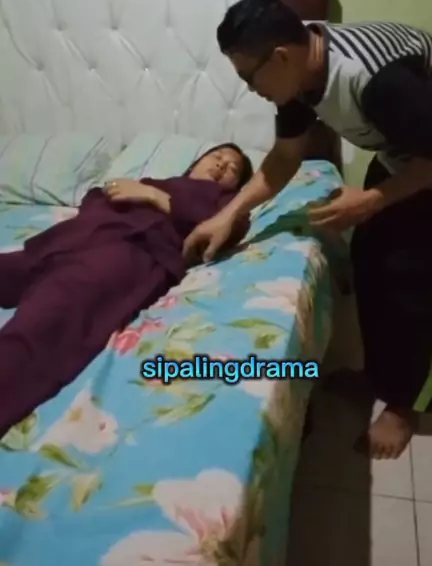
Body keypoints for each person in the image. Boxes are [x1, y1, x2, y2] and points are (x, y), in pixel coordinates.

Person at [183, 0, 432, 460]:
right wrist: (229, 214)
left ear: (280, 56)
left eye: (248, 77)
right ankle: (378, 374)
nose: (249, 89)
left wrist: (372, 199)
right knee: (371, 256)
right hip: (407, 152)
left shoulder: (375, 79)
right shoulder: (300, 78)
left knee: (428, 288)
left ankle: (407, 405)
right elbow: (284, 158)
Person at [0, 143, 252, 439]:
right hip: (71, 239)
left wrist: (153, 197)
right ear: (195, 163)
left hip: (130, 251)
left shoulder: (226, 202)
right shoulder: (154, 181)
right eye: (217, 157)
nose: (222, 165)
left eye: (233, 168)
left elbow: (230, 229)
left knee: (46, 320)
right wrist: (115, 200)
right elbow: (98, 197)